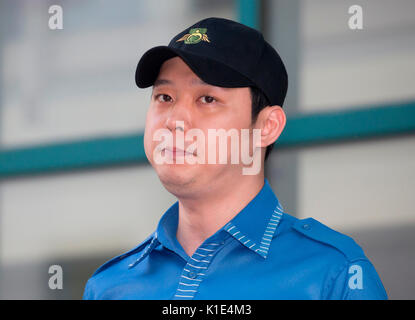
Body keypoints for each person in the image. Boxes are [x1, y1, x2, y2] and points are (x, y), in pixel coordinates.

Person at [83, 17, 388, 300]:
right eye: (165, 97)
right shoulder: (110, 287)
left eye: (208, 99)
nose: (175, 119)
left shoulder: (334, 275)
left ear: (267, 127)